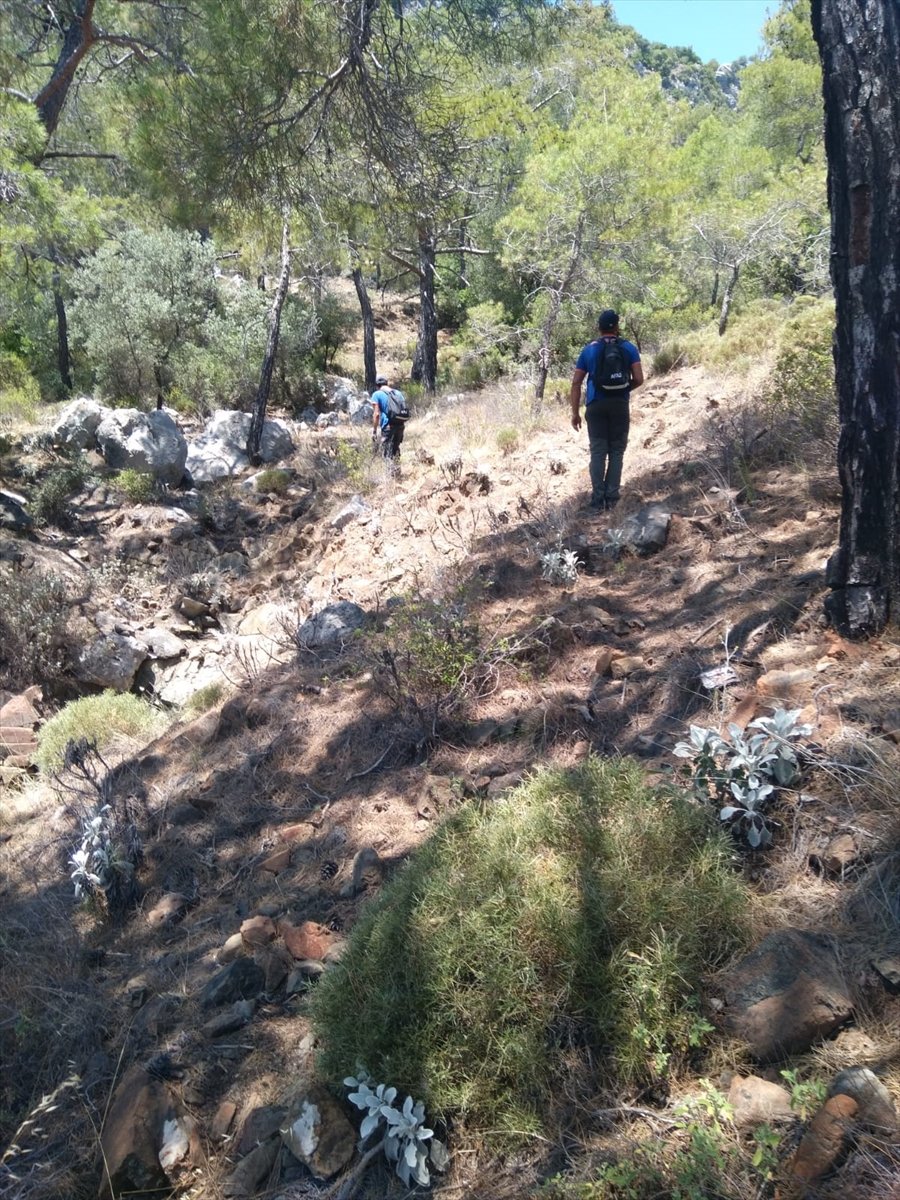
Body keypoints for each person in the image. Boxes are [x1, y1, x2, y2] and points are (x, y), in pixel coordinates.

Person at [569, 309, 643, 511]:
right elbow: (639, 378)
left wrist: (575, 412)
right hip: (619, 405)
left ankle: (597, 499)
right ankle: (612, 498)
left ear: (599, 328)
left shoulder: (589, 350)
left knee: (598, 452)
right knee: (617, 451)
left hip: (595, 406)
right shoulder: (628, 348)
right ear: (617, 327)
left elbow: (576, 383)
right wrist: (624, 389)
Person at [370, 372, 407, 470]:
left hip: (388, 426)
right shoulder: (398, 393)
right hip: (400, 424)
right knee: (396, 449)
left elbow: (376, 414)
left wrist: (374, 431)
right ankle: (398, 473)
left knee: (387, 453)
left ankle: (390, 479)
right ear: (386, 383)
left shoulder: (376, 394)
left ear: (377, 385)